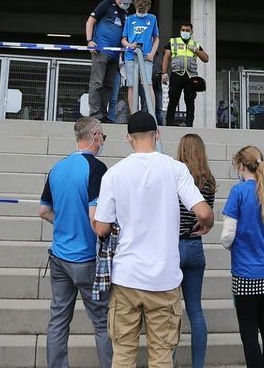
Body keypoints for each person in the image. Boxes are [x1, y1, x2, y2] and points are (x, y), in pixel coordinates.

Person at [91, 111, 213, 368]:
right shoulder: (175, 168)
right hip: (164, 279)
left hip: (126, 277)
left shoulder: (114, 174)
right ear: (157, 135)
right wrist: (207, 223)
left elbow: (101, 227)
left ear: (128, 138)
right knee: (162, 357)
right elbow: (203, 211)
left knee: (123, 355)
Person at [39, 117, 112, 368]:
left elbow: (43, 211)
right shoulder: (96, 169)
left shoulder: (58, 167)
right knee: (102, 322)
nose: (103, 141)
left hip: (59, 257)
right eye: (102, 136)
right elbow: (95, 218)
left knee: (58, 319)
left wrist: (65, 224)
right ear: (95, 136)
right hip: (87, 259)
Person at [223, 146, 264, 368]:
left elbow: (227, 235)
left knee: (249, 332)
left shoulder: (238, 192)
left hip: (245, 272)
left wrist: (236, 244)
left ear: (240, 166)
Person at [176, 134, 216, 368]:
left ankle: (165, 361)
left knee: (169, 311)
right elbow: (206, 215)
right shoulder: (208, 181)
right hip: (194, 244)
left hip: (173, 246)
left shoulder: (175, 176)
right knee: (195, 310)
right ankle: (197, 365)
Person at [86, 0, 130, 122]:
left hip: (115, 55)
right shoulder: (106, 4)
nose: (126, 4)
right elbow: (90, 21)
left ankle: (103, 114)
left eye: (128, 2)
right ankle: (94, 114)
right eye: (124, 1)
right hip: (100, 51)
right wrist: (90, 40)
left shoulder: (125, 13)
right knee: (97, 83)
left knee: (108, 85)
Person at [162, 21, 210, 126]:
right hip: (176, 74)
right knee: (173, 98)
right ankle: (169, 122)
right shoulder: (173, 41)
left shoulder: (195, 44)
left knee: (190, 99)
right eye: (183, 30)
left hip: (191, 76)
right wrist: (164, 73)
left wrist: (195, 50)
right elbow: (166, 57)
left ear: (191, 31)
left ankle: (189, 123)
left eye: (187, 30)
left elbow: (206, 58)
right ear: (180, 31)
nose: (185, 32)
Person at [121, 0, 159, 118]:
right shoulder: (130, 19)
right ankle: (133, 115)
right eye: (140, 10)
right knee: (131, 86)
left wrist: (153, 52)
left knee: (147, 84)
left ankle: (151, 115)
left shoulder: (152, 18)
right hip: (130, 56)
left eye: (144, 10)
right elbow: (123, 39)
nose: (142, 12)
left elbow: (156, 38)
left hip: (146, 56)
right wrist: (129, 45)